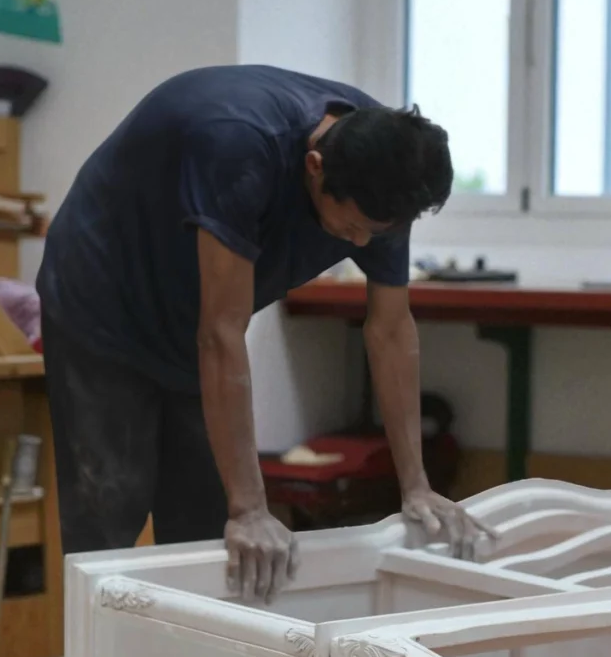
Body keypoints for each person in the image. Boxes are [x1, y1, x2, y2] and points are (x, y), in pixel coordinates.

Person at [36, 64, 493, 604]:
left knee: (210, 535)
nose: (361, 241)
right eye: (350, 230)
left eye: (374, 233)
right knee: (109, 513)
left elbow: (391, 330)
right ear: (315, 167)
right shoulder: (238, 142)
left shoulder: (388, 171)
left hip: (195, 321)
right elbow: (222, 333)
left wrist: (415, 484)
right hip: (104, 306)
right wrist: (252, 507)